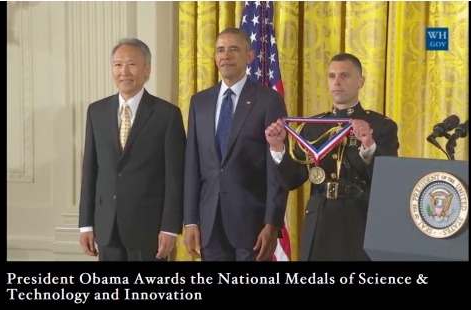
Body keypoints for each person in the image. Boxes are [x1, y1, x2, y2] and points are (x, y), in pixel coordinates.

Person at [265, 53, 399, 261]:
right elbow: (292, 180)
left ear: (360, 82)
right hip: (321, 221)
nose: (336, 81)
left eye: (344, 75)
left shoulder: (381, 126)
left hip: (359, 219)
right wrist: (277, 148)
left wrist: (368, 145)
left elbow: (388, 180)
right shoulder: (312, 126)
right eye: (332, 76)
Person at [183, 28, 289, 261]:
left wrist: (272, 222)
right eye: (220, 50)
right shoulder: (199, 102)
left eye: (233, 49)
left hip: (253, 226)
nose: (226, 55)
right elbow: (192, 164)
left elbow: (276, 168)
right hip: (210, 226)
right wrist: (190, 220)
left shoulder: (268, 100)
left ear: (249, 56)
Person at [78, 38, 186, 261]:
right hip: (106, 228)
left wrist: (169, 227)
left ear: (147, 69)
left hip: (149, 231)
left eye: (132, 64)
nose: (124, 72)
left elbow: (175, 178)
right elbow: (90, 171)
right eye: (118, 65)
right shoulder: (96, 112)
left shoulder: (167, 115)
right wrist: (85, 224)